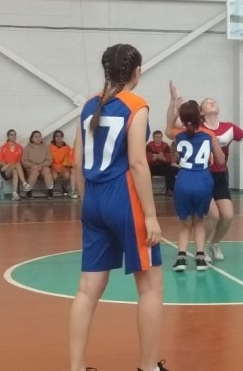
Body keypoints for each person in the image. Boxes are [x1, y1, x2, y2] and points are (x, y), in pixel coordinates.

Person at [69, 44, 168, 371]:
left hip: (93, 198)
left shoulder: (89, 105)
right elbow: (138, 163)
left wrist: (87, 201)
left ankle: (76, 367)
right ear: (136, 72)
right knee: (150, 286)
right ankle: (148, 367)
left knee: (87, 289)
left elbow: (77, 161)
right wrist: (150, 215)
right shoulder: (136, 105)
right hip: (124, 198)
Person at [171, 90, 243, 263]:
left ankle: (214, 243)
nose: (212, 102)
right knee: (214, 215)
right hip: (203, 177)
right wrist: (174, 105)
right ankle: (201, 248)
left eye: (214, 101)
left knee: (228, 215)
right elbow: (175, 124)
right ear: (201, 112)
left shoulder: (229, 128)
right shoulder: (198, 128)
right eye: (207, 101)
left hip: (220, 176)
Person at [166, 97, 225, 272]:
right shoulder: (209, 135)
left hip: (184, 179)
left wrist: (175, 108)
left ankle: (181, 258)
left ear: (183, 118)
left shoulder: (178, 134)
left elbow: (168, 127)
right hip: (203, 180)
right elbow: (221, 161)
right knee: (199, 222)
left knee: (185, 225)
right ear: (200, 116)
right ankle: (200, 258)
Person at [0, 129, 31, 201]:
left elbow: (22, 161)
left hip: (16, 168)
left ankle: (14, 194)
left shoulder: (20, 147)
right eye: (11, 135)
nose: (13, 136)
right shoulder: (3, 147)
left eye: (15, 134)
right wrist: (7, 165)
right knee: (16, 165)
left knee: (15, 170)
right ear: (8, 136)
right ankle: (24, 183)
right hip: (5, 169)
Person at [21, 130, 54, 199]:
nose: (38, 138)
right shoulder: (28, 148)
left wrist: (41, 165)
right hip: (31, 168)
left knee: (47, 170)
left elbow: (49, 159)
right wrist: (33, 165)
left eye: (39, 136)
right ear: (32, 139)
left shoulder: (45, 147)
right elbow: (24, 161)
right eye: (35, 137)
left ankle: (50, 192)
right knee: (34, 171)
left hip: (43, 166)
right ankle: (28, 193)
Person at [146, 130, 177, 196]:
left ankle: (169, 190)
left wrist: (161, 158)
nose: (158, 139)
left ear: (162, 137)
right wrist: (158, 156)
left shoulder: (165, 146)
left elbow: (168, 160)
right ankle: (147, 190)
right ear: (153, 138)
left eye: (160, 137)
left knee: (172, 169)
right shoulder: (149, 145)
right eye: (156, 137)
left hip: (162, 166)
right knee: (145, 169)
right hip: (152, 167)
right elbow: (148, 159)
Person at [49, 130, 73, 197]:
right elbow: (48, 159)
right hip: (53, 166)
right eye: (57, 136)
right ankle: (50, 189)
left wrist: (63, 167)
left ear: (63, 137)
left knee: (67, 175)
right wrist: (53, 167)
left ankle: (64, 187)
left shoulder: (67, 147)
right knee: (54, 177)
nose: (59, 138)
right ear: (54, 138)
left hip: (63, 166)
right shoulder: (49, 147)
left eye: (60, 136)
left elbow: (68, 159)